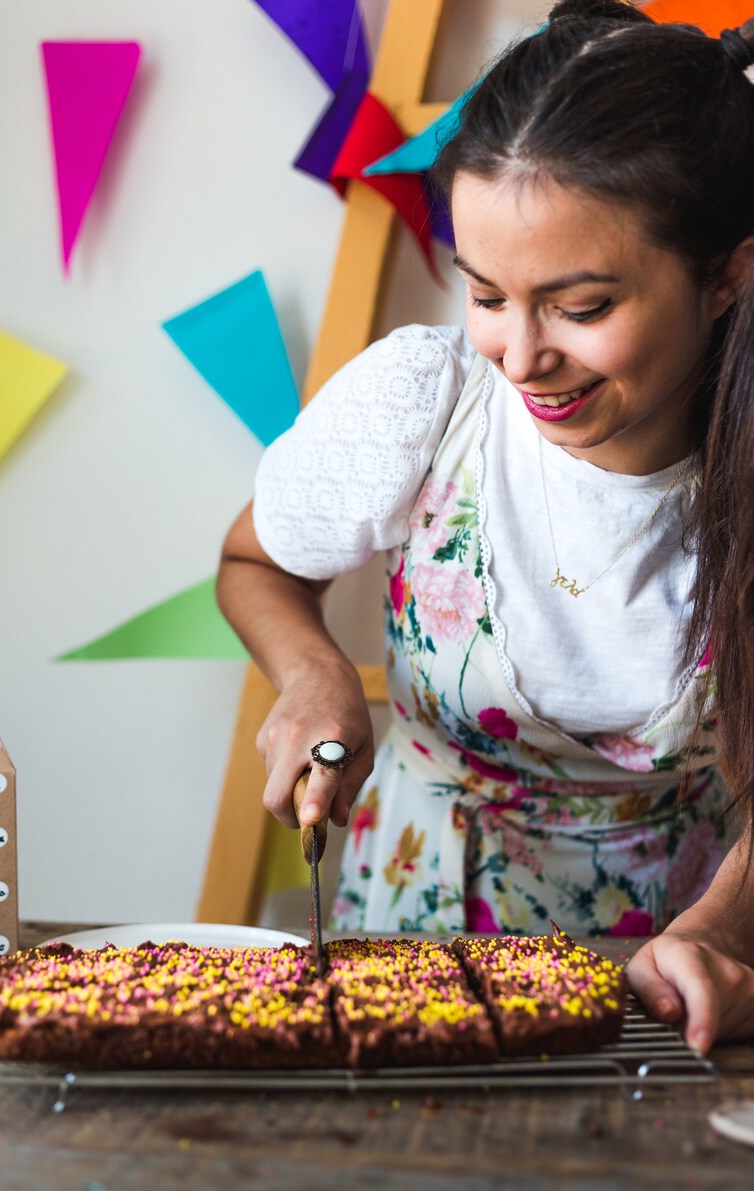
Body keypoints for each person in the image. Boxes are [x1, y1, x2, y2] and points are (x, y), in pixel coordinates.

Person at [217, 0, 754, 1051]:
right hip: (409, 934)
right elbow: (252, 562)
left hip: (675, 967)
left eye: (581, 306)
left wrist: (720, 933)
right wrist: (316, 674)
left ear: (726, 273)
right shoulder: (426, 399)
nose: (518, 355)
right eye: (485, 293)